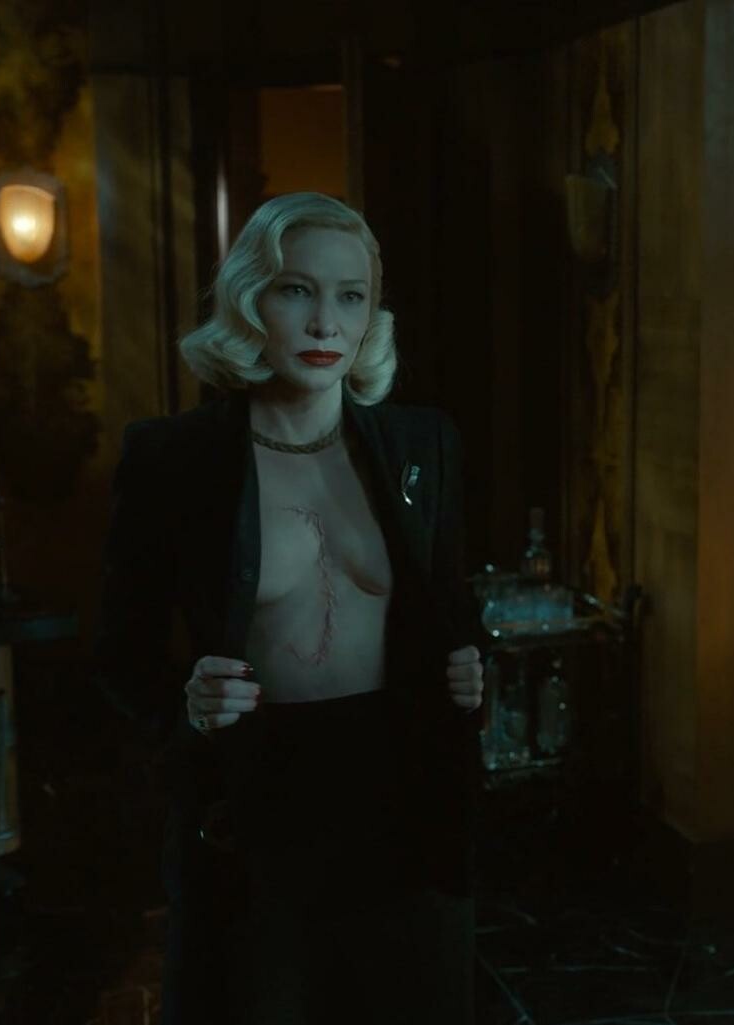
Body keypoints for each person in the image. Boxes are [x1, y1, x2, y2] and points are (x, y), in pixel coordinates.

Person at [96, 191, 489, 1023]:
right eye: (297, 290)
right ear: (251, 299)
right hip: (257, 803)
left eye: (351, 296)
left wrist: (468, 665)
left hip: (404, 792)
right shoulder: (174, 458)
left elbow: (455, 610)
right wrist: (188, 703)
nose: (324, 323)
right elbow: (118, 658)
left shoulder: (423, 443)